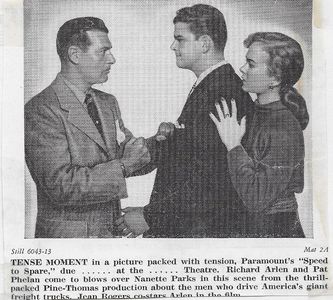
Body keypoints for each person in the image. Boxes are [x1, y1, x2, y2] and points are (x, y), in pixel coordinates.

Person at [25, 17, 173, 238]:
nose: (112, 59)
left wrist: (162, 141)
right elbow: (61, 186)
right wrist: (123, 166)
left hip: (108, 236)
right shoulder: (41, 109)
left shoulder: (107, 102)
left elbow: (128, 155)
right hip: (68, 246)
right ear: (75, 55)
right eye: (103, 51)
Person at [118, 4, 254, 237]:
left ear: (204, 44)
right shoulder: (215, 85)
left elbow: (213, 178)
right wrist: (173, 138)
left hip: (204, 233)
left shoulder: (220, 91)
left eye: (180, 39)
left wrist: (149, 216)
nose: (173, 46)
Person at [209, 32, 309, 237]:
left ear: (275, 78)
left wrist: (233, 145)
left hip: (274, 231)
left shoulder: (284, 128)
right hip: (249, 226)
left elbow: (256, 198)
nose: (242, 69)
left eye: (251, 64)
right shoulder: (254, 111)